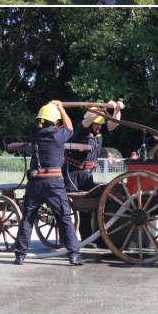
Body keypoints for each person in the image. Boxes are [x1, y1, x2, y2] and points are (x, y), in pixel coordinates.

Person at [11, 101, 81, 265]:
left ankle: (20, 256)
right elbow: (70, 127)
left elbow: (40, 124)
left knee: (28, 218)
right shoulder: (59, 135)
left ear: (41, 120)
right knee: (64, 218)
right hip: (54, 183)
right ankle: (74, 255)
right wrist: (61, 108)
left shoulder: (35, 133)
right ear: (55, 122)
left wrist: (49, 109)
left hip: (35, 182)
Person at [63, 103, 121, 244]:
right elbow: (88, 120)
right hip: (72, 171)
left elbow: (115, 123)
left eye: (100, 124)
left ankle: (86, 238)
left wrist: (117, 109)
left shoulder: (99, 132)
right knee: (69, 204)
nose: (98, 126)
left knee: (87, 206)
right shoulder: (82, 129)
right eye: (96, 124)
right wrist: (100, 110)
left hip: (87, 174)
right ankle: (67, 237)